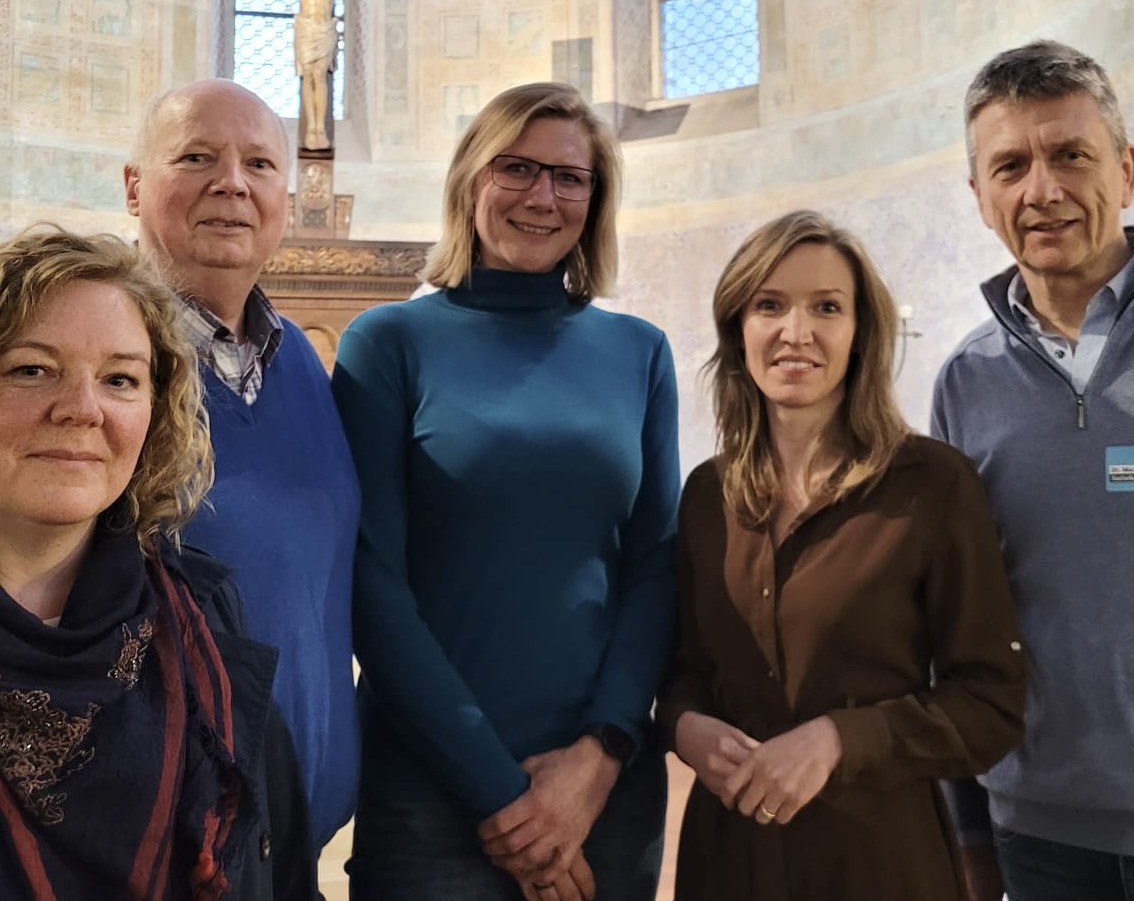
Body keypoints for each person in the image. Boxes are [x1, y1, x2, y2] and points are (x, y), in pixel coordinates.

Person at [332, 81, 680, 901]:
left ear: (596, 201)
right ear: (469, 182)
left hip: (605, 787)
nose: (543, 195)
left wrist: (599, 759)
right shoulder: (388, 342)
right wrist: (502, 792)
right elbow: (369, 578)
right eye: (515, 168)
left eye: (571, 177)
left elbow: (656, 566)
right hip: (431, 789)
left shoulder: (639, 351)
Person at [657, 209, 1026, 901]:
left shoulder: (933, 486)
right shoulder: (707, 494)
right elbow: (685, 673)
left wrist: (843, 738)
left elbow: (990, 704)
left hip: (878, 860)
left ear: (860, 335)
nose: (796, 332)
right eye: (770, 305)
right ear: (739, 328)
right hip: (731, 857)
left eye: (826, 307)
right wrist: (685, 727)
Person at [0, 226, 317, 899]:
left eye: (120, 379)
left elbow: (280, 869)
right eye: (32, 368)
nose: (81, 409)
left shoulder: (201, 611)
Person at [123, 78, 360, 852]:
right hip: (166, 842)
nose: (232, 182)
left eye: (259, 164)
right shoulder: (104, 359)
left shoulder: (299, 363)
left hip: (292, 835)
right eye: (197, 156)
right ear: (134, 187)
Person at [931, 40, 1134, 901]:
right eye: (1009, 166)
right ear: (980, 198)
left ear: (1126, 170)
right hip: (1039, 830)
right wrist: (969, 831)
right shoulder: (964, 381)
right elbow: (953, 622)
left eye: (1070, 156)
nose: (1041, 191)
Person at [211, 0, 427, 149]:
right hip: (306, 30)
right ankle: (311, 126)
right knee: (307, 75)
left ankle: (318, 128)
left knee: (320, 76)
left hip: (325, 30)